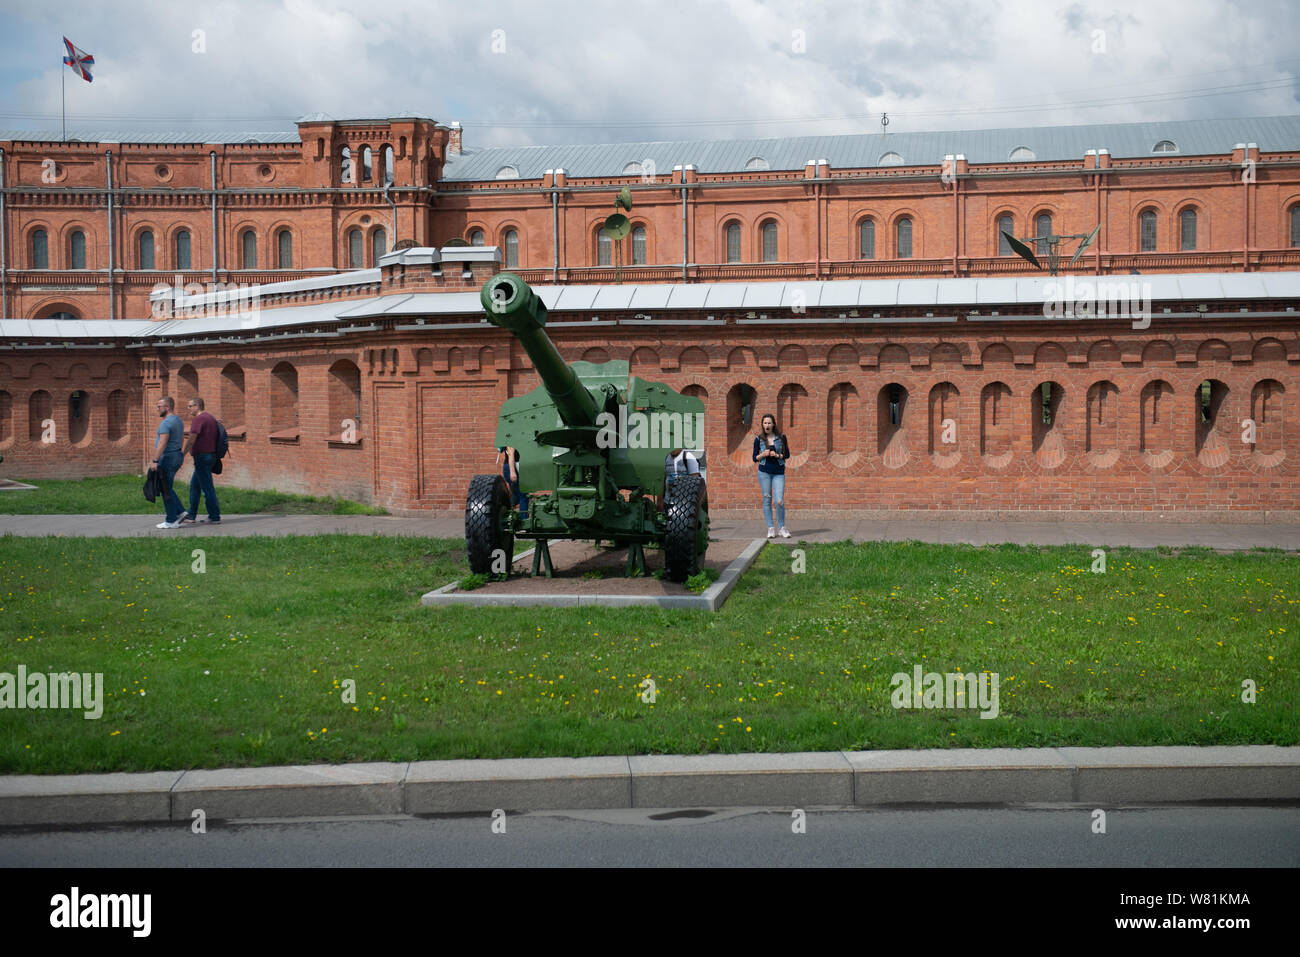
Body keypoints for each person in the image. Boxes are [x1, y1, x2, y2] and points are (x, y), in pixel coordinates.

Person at [181, 396, 221, 524]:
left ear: (197, 406)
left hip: (202, 457)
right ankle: (191, 515)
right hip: (210, 456)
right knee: (195, 486)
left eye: (190, 406)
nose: (188, 409)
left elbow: (191, 439)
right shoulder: (211, 418)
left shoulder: (199, 419)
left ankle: (214, 516)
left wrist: (182, 454)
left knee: (207, 487)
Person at [148, 396, 186, 529]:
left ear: (167, 407)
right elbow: (181, 438)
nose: (157, 409)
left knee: (165, 489)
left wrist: (155, 460)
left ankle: (171, 520)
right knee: (167, 487)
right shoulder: (178, 420)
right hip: (176, 455)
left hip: (168, 457)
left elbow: (162, 443)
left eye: (159, 406)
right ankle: (180, 512)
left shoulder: (166, 423)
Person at [752, 413, 790, 539]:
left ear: (773, 424)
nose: (767, 425)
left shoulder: (781, 437)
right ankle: (770, 528)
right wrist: (763, 454)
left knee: (779, 501)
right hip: (764, 473)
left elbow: (787, 454)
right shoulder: (759, 439)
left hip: (778, 473)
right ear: (762, 425)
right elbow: (754, 458)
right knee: (767, 499)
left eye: (769, 423)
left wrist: (777, 455)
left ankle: (782, 528)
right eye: (765, 423)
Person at [496, 445, 527, 519]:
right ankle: (523, 521)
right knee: (524, 496)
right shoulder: (511, 440)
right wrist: (513, 472)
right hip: (511, 468)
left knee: (516, 496)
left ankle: (501, 511)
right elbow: (511, 455)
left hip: (512, 468)